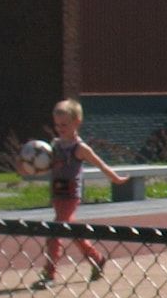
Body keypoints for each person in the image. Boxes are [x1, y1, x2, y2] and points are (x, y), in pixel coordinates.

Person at [22, 98, 126, 285]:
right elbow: (45, 167)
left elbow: (100, 164)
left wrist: (115, 179)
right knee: (73, 232)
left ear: (76, 122)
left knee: (54, 233)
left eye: (64, 124)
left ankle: (49, 273)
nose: (60, 128)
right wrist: (27, 169)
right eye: (57, 124)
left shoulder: (79, 148)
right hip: (56, 194)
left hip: (70, 196)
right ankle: (97, 259)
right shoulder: (54, 146)